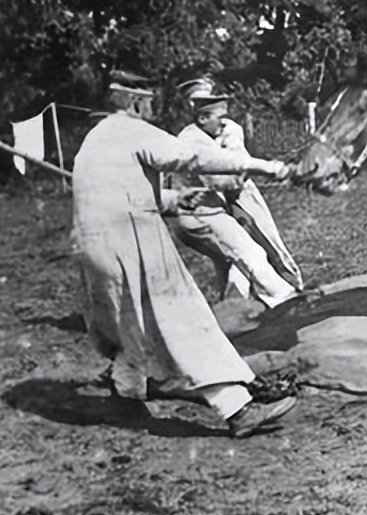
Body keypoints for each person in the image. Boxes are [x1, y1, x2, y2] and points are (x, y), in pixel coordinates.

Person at [72, 71, 299, 438]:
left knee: (132, 318)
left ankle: (127, 392)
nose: (150, 110)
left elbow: (111, 194)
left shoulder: (92, 140)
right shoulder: (133, 130)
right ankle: (236, 408)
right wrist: (263, 166)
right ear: (134, 103)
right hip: (131, 238)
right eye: (146, 104)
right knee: (185, 318)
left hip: (89, 247)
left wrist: (174, 199)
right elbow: (193, 158)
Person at [163, 77, 303, 308]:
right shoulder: (192, 142)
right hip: (201, 216)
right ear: (202, 118)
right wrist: (276, 169)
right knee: (250, 253)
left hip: (208, 210)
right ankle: (287, 300)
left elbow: (236, 160)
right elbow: (224, 177)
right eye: (218, 119)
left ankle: (231, 311)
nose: (222, 124)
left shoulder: (215, 132)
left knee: (230, 263)